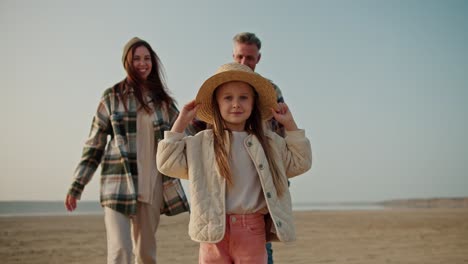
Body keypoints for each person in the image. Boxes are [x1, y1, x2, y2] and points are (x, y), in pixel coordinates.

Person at [156, 62, 312, 263]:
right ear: (217, 105)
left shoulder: (269, 142)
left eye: (243, 98)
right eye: (228, 98)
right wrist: (179, 124)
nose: (236, 104)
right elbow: (167, 163)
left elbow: (301, 161)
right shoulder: (202, 142)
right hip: (212, 231)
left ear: (254, 103)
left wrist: (290, 125)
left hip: (252, 230)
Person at [64, 37, 189, 264]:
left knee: (146, 255)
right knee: (120, 251)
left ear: (153, 62)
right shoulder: (112, 97)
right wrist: (77, 185)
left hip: (152, 188)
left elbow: (186, 131)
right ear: (127, 62)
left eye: (147, 58)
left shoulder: (163, 102)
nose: (142, 63)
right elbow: (94, 145)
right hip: (117, 186)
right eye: (136, 59)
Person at [185, 31, 284, 264]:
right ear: (233, 55)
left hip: (261, 184)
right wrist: (204, 161)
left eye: (249, 58)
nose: (244, 63)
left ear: (258, 58)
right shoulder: (220, 86)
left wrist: (279, 179)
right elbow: (194, 127)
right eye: (239, 57)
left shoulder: (270, 92)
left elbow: (280, 137)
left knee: (262, 247)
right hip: (224, 187)